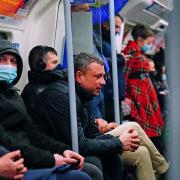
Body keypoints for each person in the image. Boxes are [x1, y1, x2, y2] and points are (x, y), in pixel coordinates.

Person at [22, 48, 141, 180]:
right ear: (79, 76)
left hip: (66, 145)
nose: (103, 82)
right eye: (98, 77)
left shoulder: (80, 94)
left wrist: (114, 140)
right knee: (96, 163)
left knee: (114, 156)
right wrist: (118, 142)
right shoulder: (63, 96)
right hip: (55, 148)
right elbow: (80, 144)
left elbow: (90, 132)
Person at [0, 39, 101, 180]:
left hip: (30, 153)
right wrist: (51, 159)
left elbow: (33, 132)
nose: (9, 66)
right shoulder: (35, 92)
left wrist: (63, 150)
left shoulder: (14, 96)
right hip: (15, 158)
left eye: (13, 61)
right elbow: (7, 141)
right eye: (3, 60)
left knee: (90, 170)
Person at [123, 24, 165, 152]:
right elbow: (125, 74)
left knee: (154, 122)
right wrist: (125, 96)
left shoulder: (138, 52)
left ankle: (160, 155)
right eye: (149, 43)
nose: (150, 46)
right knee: (149, 125)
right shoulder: (131, 52)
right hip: (139, 94)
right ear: (140, 40)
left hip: (145, 92)